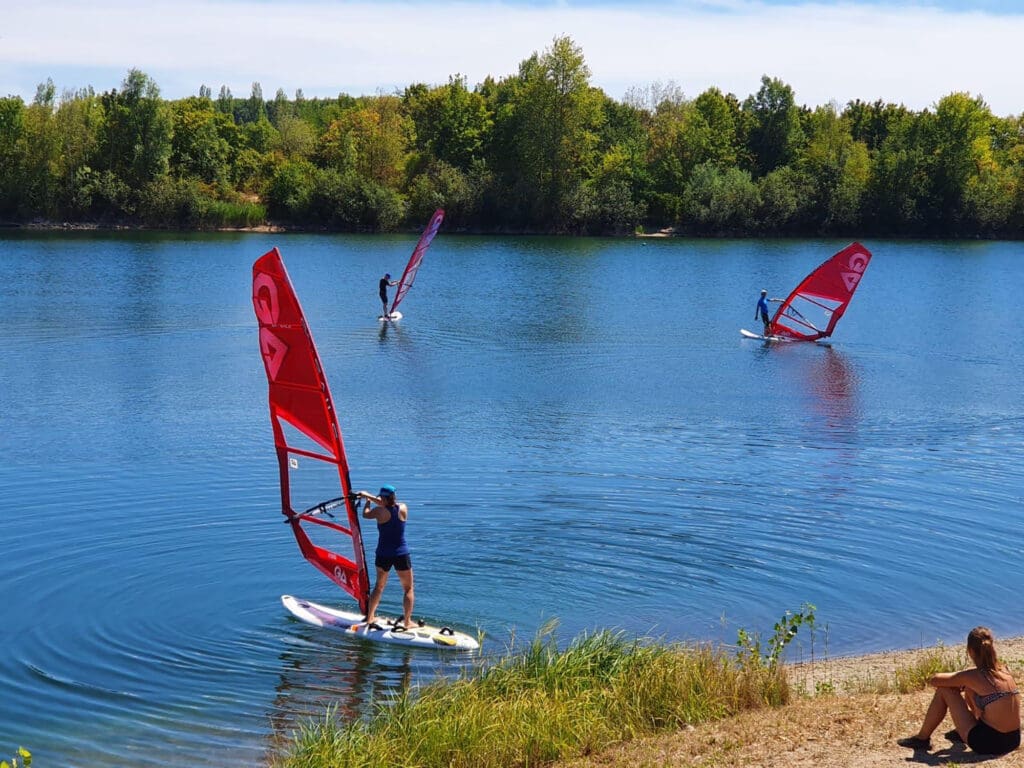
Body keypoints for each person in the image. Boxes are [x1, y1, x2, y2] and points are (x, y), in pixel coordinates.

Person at [897, 626, 1020, 755]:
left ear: (970, 651)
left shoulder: (972, 676)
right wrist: (965, 682)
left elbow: (934, 680)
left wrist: (961, 678)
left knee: (943, 690)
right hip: (1013, 740)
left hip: (989, 744)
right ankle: (960, 732)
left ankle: (922, 739)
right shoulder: (1004, 670)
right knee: (971, 689)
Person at [355, 485, 414, 629]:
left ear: (382, 498)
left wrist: (367, 500)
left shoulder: (378, 512)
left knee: (379, 587)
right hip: (401, 554)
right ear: (394, 496)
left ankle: (369, 618)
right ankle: (407, 622)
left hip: (383, 554)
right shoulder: (403, 508)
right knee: (408, 589)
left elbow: (365, 514)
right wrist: (369, 495)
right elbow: (386, 504)